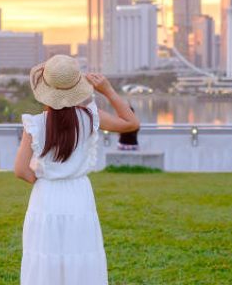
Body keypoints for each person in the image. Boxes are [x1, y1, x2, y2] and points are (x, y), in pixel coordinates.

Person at [14, 54, 140, 285]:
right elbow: (131, 123)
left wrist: (45, 180)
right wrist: (108, 90)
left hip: (46, 195)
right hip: (78, 193)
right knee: (80, 253)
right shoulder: (91, 117)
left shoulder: (34, 124)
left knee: (45, 256)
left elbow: (21, 170)